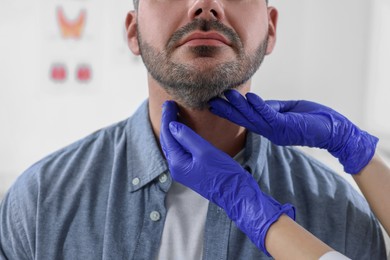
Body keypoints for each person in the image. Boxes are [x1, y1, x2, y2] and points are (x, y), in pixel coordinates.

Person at [0, 0, 387, 259]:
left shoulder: (344, 216)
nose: (205, 4)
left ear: (270, 29)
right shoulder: (38, 205)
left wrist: (356, 150)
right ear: (133, 32)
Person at [160, 89, 390, 259]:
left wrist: (248, 207)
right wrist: (352, 145)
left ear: (270, 29)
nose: (206, 19)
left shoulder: (345, 211)